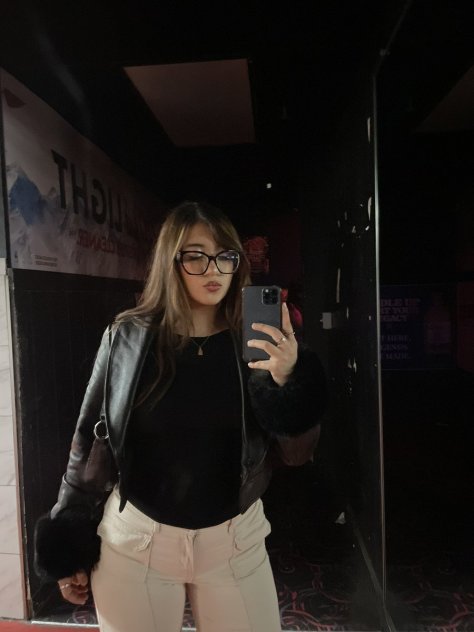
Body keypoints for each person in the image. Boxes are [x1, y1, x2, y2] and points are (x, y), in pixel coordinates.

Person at [35, 201, 327, 632]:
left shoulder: (256, 343)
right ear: (170, 261)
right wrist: (68, 545)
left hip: (235, 547)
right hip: (136, 546)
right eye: (196, 256)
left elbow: (298, 453)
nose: (214, 270)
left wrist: (287, 380)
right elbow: (90, 444)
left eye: (225, 256)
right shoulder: (127, 338)